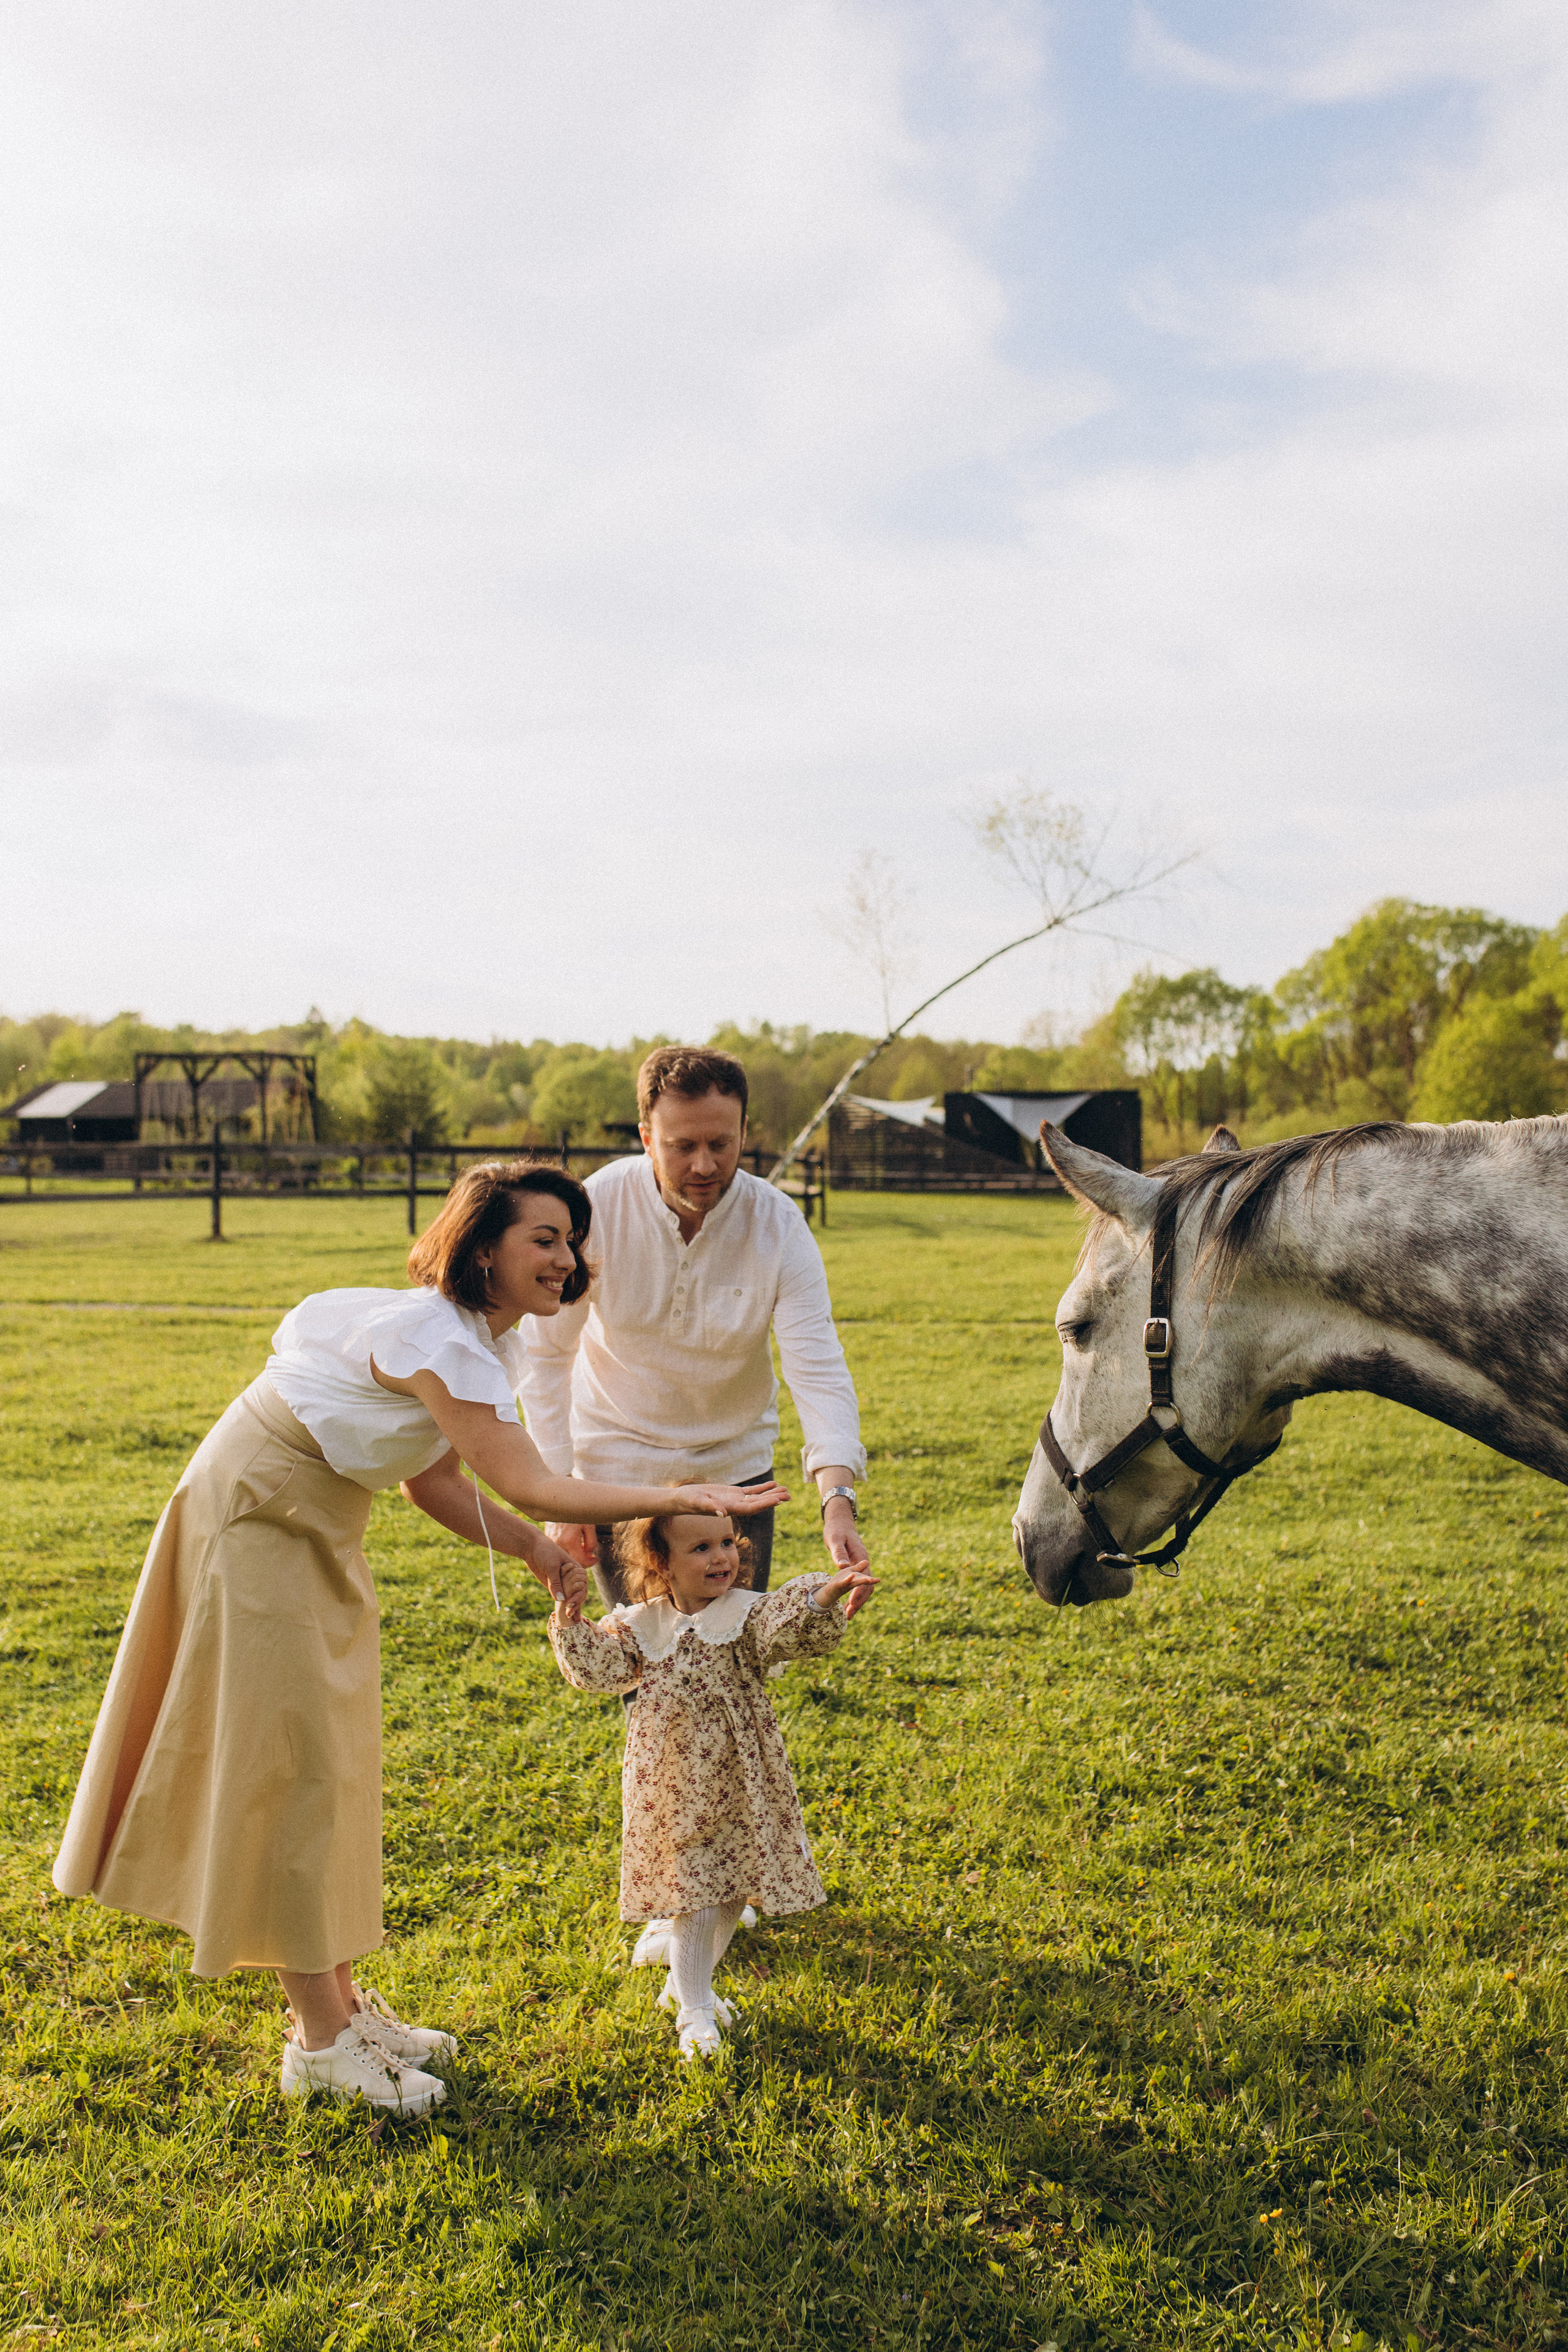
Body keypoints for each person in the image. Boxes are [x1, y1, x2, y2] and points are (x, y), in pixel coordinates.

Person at [51, 1160, 785, 2117]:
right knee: (294, 1769)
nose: (567, 1259)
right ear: (484, 1249)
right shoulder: (435, 1335)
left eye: (573, 1239)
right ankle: (319, 2044)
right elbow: (529, 1478)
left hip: (309, 1524)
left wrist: (533, 1554)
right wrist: (682, 1495)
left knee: (333, 1763)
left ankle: (346, 2011)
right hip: (258, 1522)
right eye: (543, 1239)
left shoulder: (475, 1342)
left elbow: (430, 1477)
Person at [519, 1044, 869, 1608]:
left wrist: (838, 1500)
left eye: (720, 1144)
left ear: (744, 1131)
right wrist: (562, 1495)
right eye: (682, 1146)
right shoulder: (594, 1209)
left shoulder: (778, 1225)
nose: (704, 1165)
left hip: (736, 1481)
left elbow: (817, 1365)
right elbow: (544, 1354)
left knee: (730, 1663)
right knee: (644, 1670)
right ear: (646, 1137)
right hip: (618, 1474)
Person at [548, 1501, 875, 2057]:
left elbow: (786, 1627)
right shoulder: (640, 1625)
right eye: (701, 1548)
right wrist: (570, 1619)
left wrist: (823, 1595)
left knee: (729, 1890)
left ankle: (683, 1984)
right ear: (662, 1562)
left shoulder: (745, 1614)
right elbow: (599, 1670)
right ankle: (695, 2008)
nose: (722, 1557)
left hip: (740, 1778)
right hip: (672, 1783)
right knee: (695, 1889)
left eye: (727, 1543)